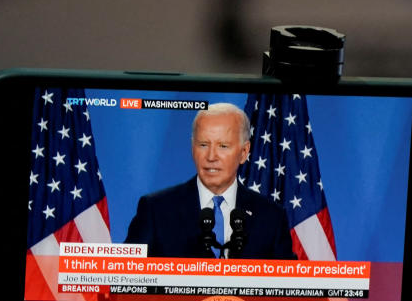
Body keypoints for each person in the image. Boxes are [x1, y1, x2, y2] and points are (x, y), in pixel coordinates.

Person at [125, 103, 296, 259]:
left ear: (244, 152)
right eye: (203, 145)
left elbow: (289, 285)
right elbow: (126, 278)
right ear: (193, 149)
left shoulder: (271, 217)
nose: (211, 157)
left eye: (223, 146)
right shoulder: (156, 210)